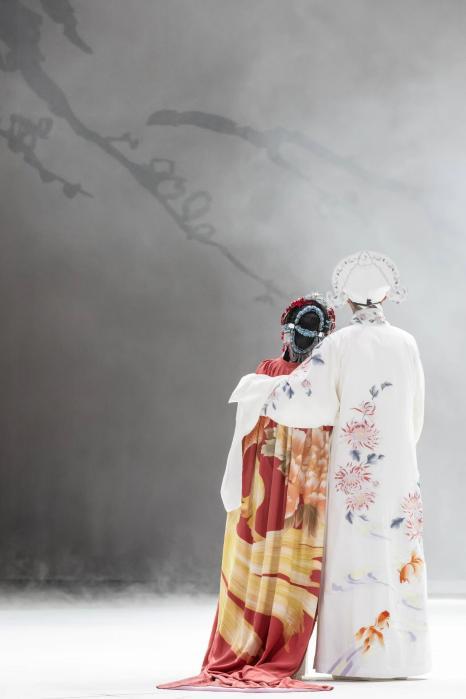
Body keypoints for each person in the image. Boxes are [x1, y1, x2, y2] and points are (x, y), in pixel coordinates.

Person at [262, 251, 431, 680]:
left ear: (348, 299)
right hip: (398, 463)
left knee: (353, 548)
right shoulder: (407, 342)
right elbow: (416, 412)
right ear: (386, 296)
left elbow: (309, 399)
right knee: (397, 550)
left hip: (352, 468)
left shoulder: (338, 344)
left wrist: (264, 390)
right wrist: (400, 447)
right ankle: (403, 657)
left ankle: (352, 658)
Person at [157, 293, 336, 692]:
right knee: (282, 556)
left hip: (285, 480)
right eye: (303, 331)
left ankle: (262, 644)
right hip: (288, 480)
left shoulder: (273, 374)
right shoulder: (309, 378)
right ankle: (273, 649)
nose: (304, 339)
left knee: (280, 557)